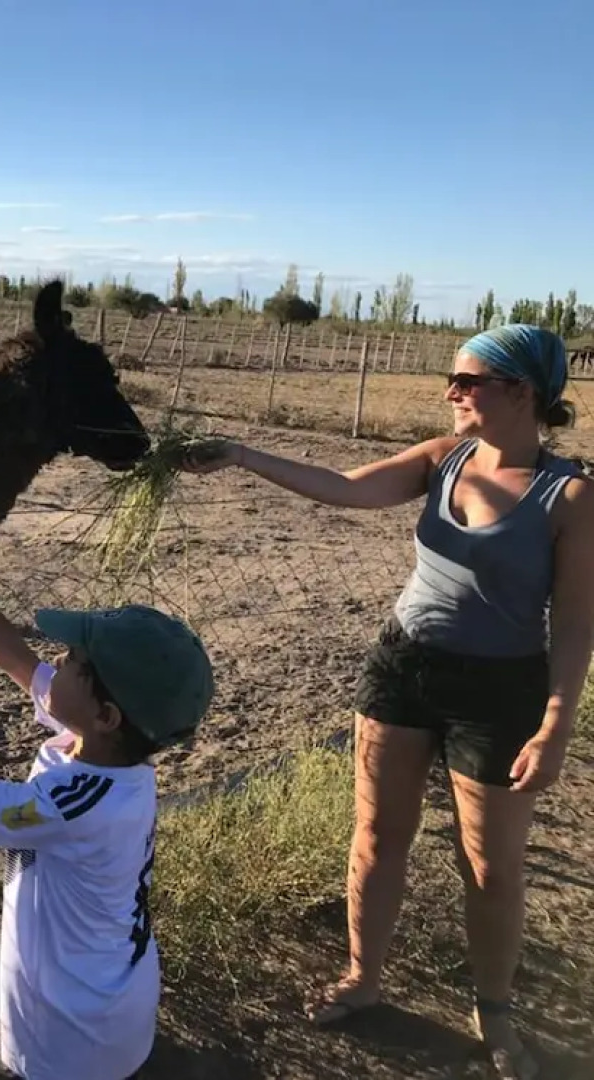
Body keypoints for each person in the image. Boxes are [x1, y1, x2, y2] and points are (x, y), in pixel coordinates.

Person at [178, 323, 593, 1079]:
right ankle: (364, 977)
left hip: (500, 694)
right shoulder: (442, 458)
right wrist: (240, 454)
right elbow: (347, 486)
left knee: (492, 867)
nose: (451, 392)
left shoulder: (567, 495)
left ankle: (492, 1009)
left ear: (522, 392)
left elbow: (573, 620)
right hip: (403, 670)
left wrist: (557, 721)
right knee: (376, 836)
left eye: (467, 381)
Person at [0, 543, 215, 1080]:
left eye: (75, 663)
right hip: (107, 1002)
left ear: (107, 715)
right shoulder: (107, 754)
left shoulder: (75, 803)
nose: (57, 660)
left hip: (70, 1032)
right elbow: (9, 652)